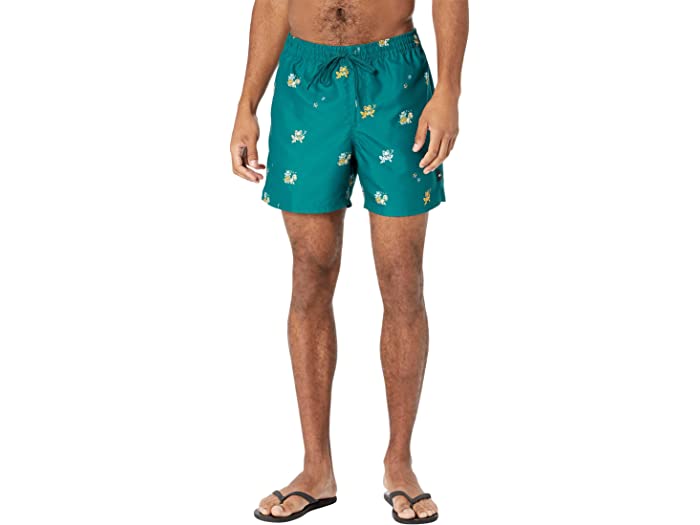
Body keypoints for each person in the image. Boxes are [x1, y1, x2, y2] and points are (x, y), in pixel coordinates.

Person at [230, 0, 468, 522]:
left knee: (402, 276)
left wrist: (449, 89)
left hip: (395, 78)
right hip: (305, 81)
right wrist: (247, 103)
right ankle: (316, 468)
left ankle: (399, 463)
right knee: (310, 273)